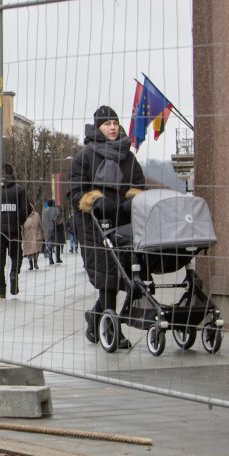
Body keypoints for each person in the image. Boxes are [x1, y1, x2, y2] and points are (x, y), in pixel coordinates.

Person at [70, 105, 145, 348]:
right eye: (106, 124)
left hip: (122, 223)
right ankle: (112, 331)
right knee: (107, 278)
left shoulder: (128, 156)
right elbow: (75, 191)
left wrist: (132, 198)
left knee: (124, 275)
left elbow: (138, 183)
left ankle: (95, 317)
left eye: (114, 122)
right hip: (94, 224)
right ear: (97, 128)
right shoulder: (84, 157)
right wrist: (95, 200)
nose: (112, 127)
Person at [0, 163, 29, 296]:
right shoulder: (20, 190)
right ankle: (14, 274)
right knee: (16, 255)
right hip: (14, 230)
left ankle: (1, 289)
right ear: (11, 173)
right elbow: (26, 210)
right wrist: (19, 222)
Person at [22, 203, 44, 271]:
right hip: (27, 236)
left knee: (36, 250)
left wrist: (43, 235)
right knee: (29, 251)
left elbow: (41, 224)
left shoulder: (36, 215)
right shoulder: (23, 215)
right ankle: (30, 263)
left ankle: (35, 263)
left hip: (37, 235)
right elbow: (21, 227)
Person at [41, 199, 64, 264]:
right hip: (55, 229)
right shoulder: (56, 209)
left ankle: (50, 259)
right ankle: (58, 258)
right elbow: (60, 219)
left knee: (49, 244)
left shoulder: (44, 211)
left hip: (47, 230)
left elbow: (43, 221)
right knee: (57, 244)